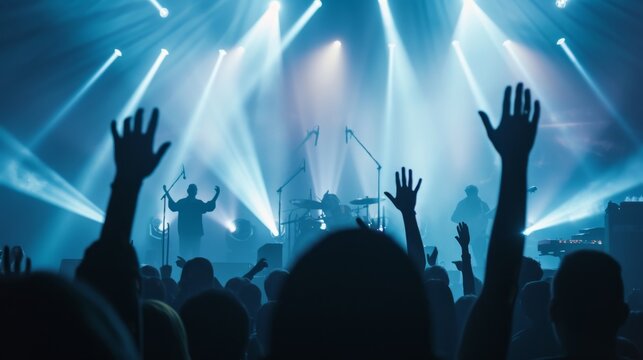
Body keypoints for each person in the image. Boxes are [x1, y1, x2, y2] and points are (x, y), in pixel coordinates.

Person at [163, 183, 220, 258]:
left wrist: (166, 192)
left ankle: (187, 268)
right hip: (190, 232)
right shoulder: (195, 203)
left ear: (188, 191)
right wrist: (217, 194)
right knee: (190, 254)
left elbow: (173, 206)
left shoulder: (186, 203)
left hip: (189, 232)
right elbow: (209, 206)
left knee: (188, 254)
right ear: (195, 192)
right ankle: (191, 268)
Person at [451, 185, 490, 268]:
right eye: (469, 193)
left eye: (472, 193)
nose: (470, 195)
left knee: (484, 259)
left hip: (482, 236)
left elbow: (489, 216)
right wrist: (467, 220)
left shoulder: (482, 205)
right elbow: (454, 218)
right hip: (471, 236)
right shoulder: (462, 205)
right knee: (479, 258)